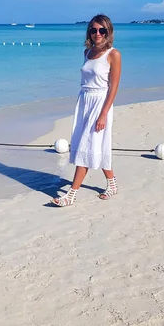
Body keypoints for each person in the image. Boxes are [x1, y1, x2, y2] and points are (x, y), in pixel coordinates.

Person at [52, 14, 122, 207]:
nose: (97, 34)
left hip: (100, 102)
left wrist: (104, 113)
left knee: (87, 145)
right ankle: (112, 184)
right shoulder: (88, 52)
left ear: (108, 32)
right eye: (93, 30)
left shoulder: (114, 54)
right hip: (84, 101)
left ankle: (71, 194)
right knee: (95, 145)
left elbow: (114, 87)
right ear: (89, 32)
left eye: (102, 30)